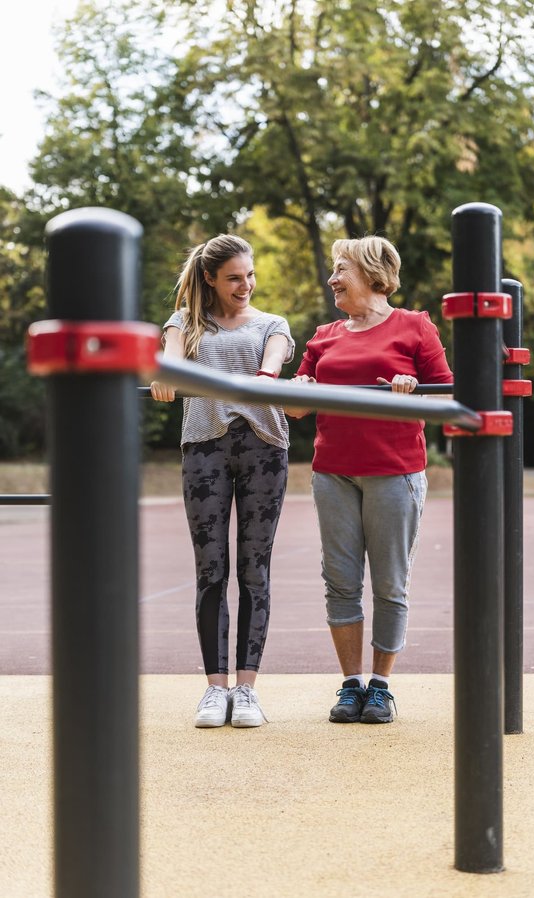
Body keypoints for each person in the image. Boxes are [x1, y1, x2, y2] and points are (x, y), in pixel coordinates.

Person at [287, 235, 452, 724]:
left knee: (389, 584)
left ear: (374, 275)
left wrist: (413, 391)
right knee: (339, 583)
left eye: (342, 269)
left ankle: (380, 686)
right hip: (332, 472)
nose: (332, 278)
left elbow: (446, 401)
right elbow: (296, 409)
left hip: (394, 472)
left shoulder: (415, 327)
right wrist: (298, 386)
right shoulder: (324, 335)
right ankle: (350, 685)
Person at [150, 235, 294, 729]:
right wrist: (164, 375)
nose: (246, 285)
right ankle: (214, 690)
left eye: (250, 276)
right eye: (234, 277)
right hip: (204, 449)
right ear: (210, 278)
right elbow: (169, 358)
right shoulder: (185, 322)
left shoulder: (272, 324)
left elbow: (272, 361)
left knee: (255, 570)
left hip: (264, 448)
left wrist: (267, 377)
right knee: (211, 570)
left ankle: (246, 690)